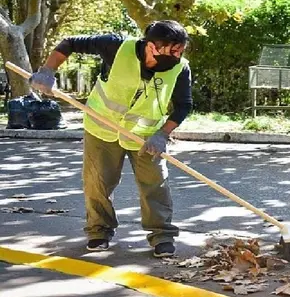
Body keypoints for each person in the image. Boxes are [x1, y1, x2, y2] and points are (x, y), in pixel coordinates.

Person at [29, 21, 192, 257]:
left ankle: (161, 235)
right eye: (170, 50)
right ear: (151, 46)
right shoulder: (117, 47)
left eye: (180, 50)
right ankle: (99, 231)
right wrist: (48, 70)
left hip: (145, 135)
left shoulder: (180, 68)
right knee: (98, 183)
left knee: (155, 184)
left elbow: (184, 105)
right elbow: (70, 43)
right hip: (102, 128)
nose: (175, 56)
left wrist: (162, 134)